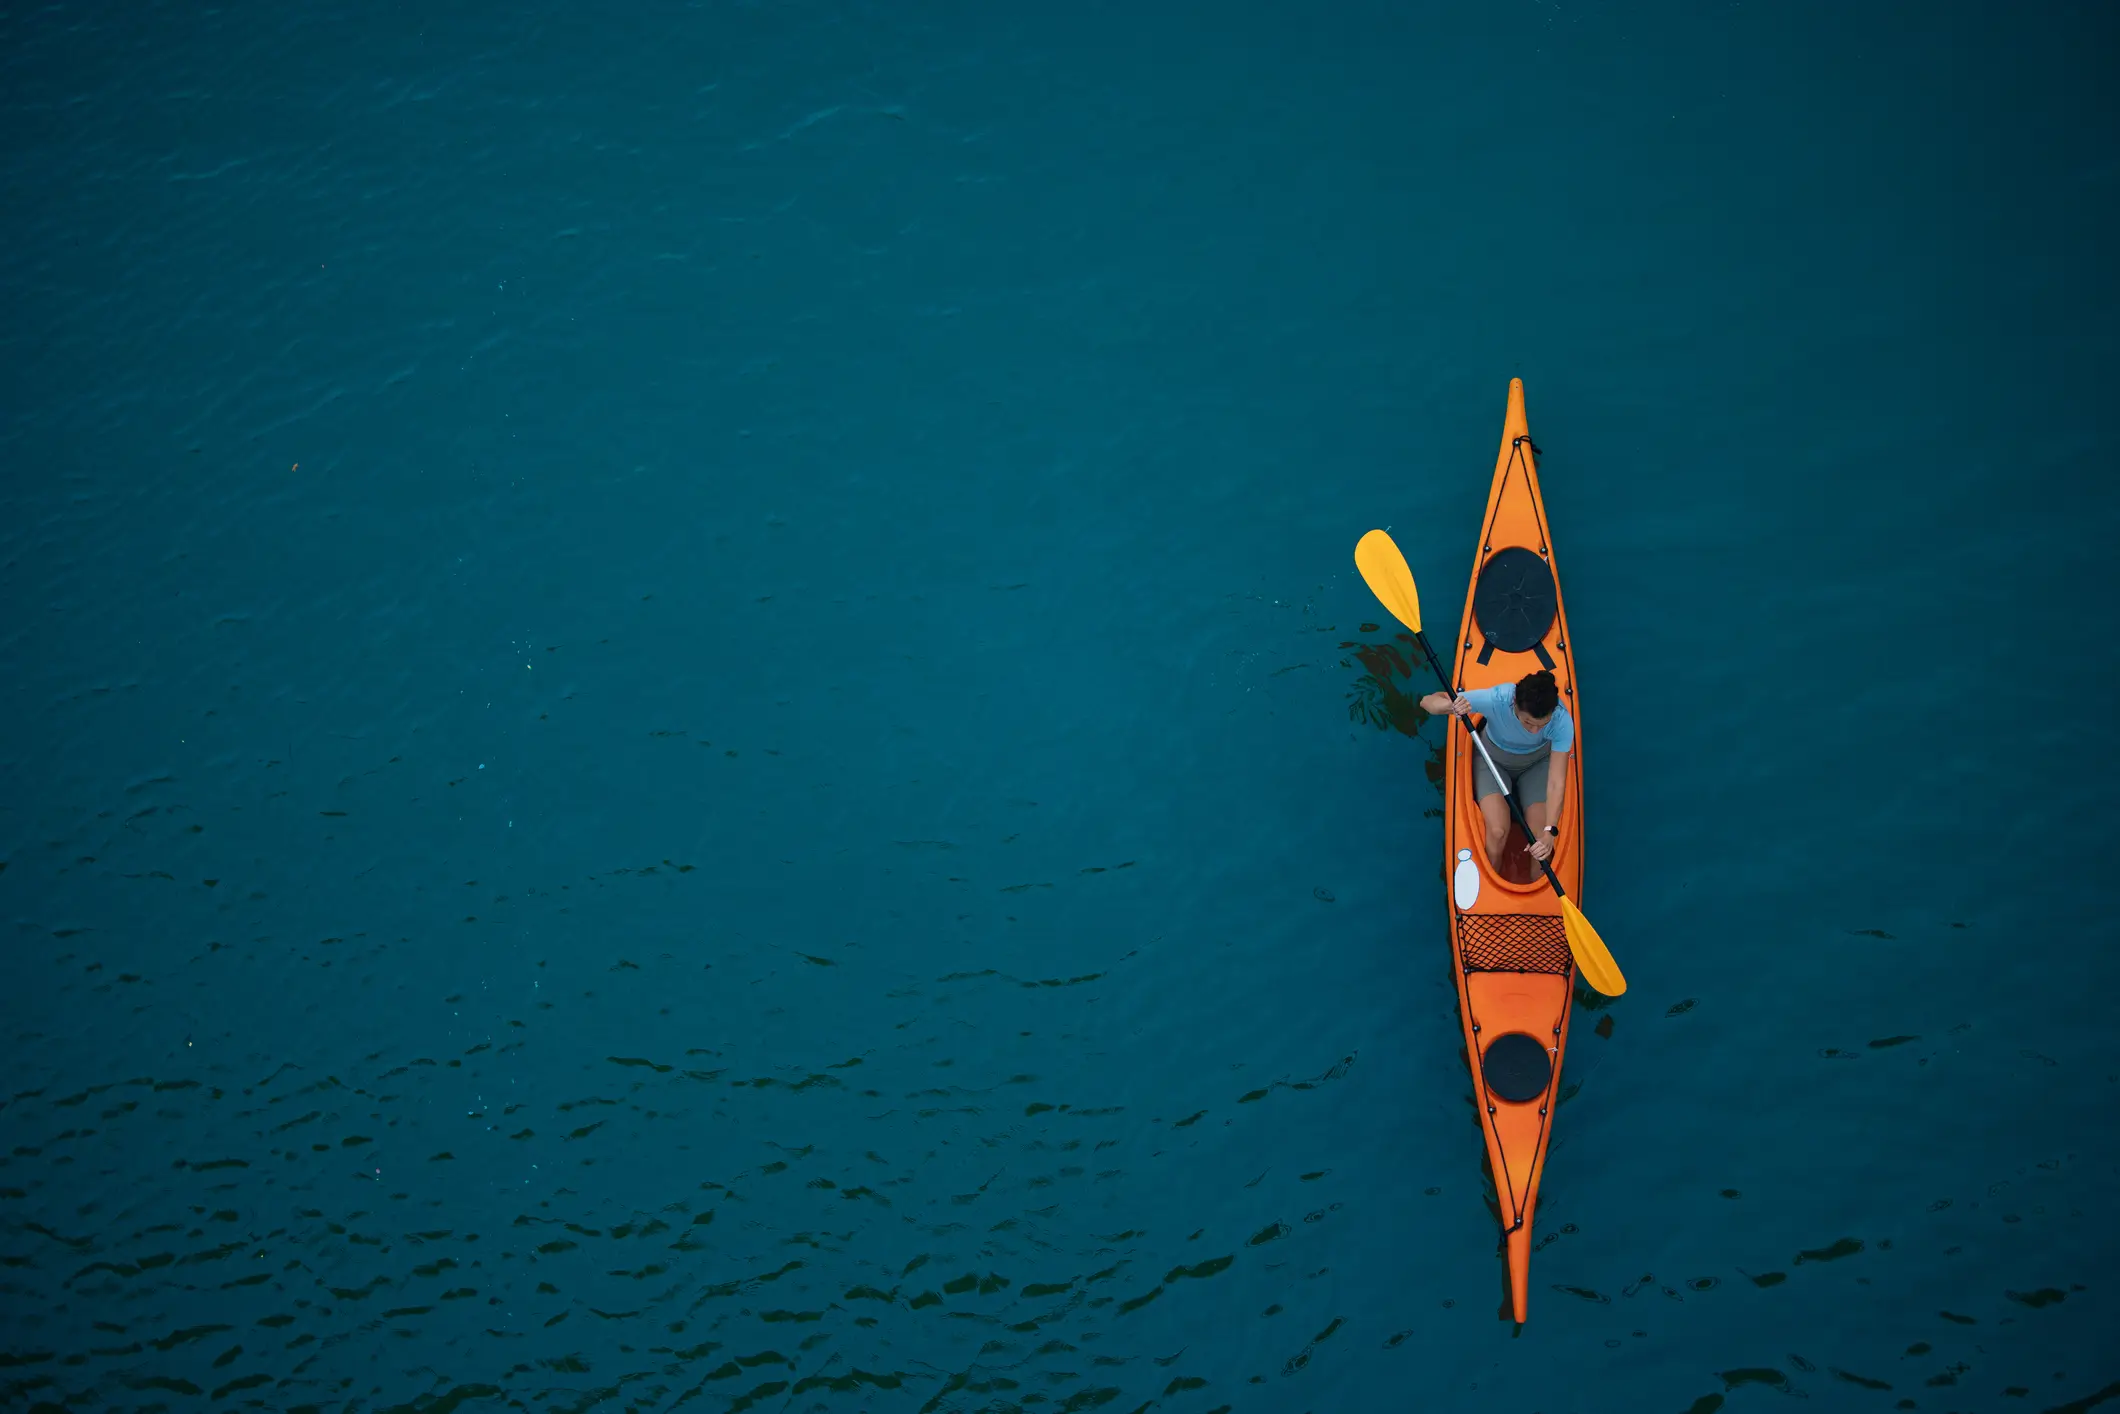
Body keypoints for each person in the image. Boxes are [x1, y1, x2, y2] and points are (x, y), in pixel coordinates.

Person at [1418, 669, 1573, 871]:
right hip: (1492, 761)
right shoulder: (1498, 699)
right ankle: (1493, 876)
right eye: (1527, 722)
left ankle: (1540, 887)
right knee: (1498, 831)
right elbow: (1427, 701)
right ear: (1514, 704)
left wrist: (1550, 830)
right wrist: (1450, 706)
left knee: (1540, 840)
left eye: (1541, 725)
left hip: (1536, 764)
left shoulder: (1561, 720)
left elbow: (1556, 781)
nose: (1534, 730)